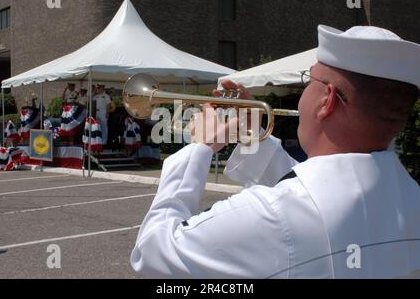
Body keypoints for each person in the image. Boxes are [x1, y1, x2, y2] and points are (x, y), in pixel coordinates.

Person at [131, 25, 420, 279]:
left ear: (326, 99)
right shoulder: (409, 197)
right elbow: (313, 191)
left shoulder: (273, 214)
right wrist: (252, 136)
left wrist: (200, 147)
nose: (305, 90)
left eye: (310, 80)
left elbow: (154, 251)